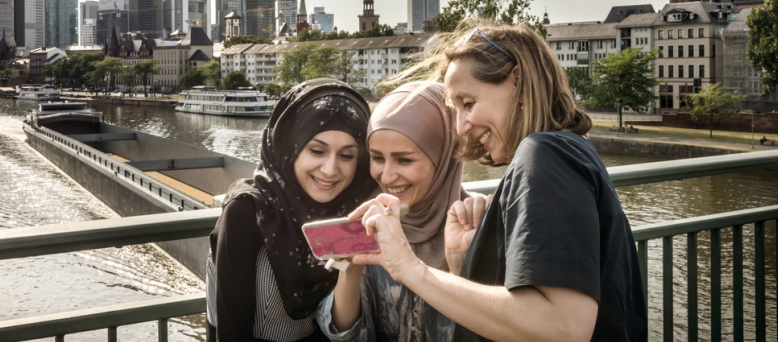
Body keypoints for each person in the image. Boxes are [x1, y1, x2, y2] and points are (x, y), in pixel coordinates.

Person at [348, 25, 647, 342]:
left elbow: (564, 328)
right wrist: (465, 259)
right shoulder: (570, 150)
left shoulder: (545, 154)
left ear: (516, 80)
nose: (461, 127)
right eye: (455, 109)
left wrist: (410, 268)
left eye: (468, 103)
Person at [206, 78, 379, 342]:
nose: (330, 170)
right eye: (317, 151)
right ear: (289, 149)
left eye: (346, 156)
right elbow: (230, 332)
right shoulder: (248, 212)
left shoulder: (355, 212)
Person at [317, 81, 470, 341]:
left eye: (404, 159)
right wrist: (350, 269)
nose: (386, 176)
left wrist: (462, 265)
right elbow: (345, 334)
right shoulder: (372, 222)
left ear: (444, 156)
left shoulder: (477, 224)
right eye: (377, 158)